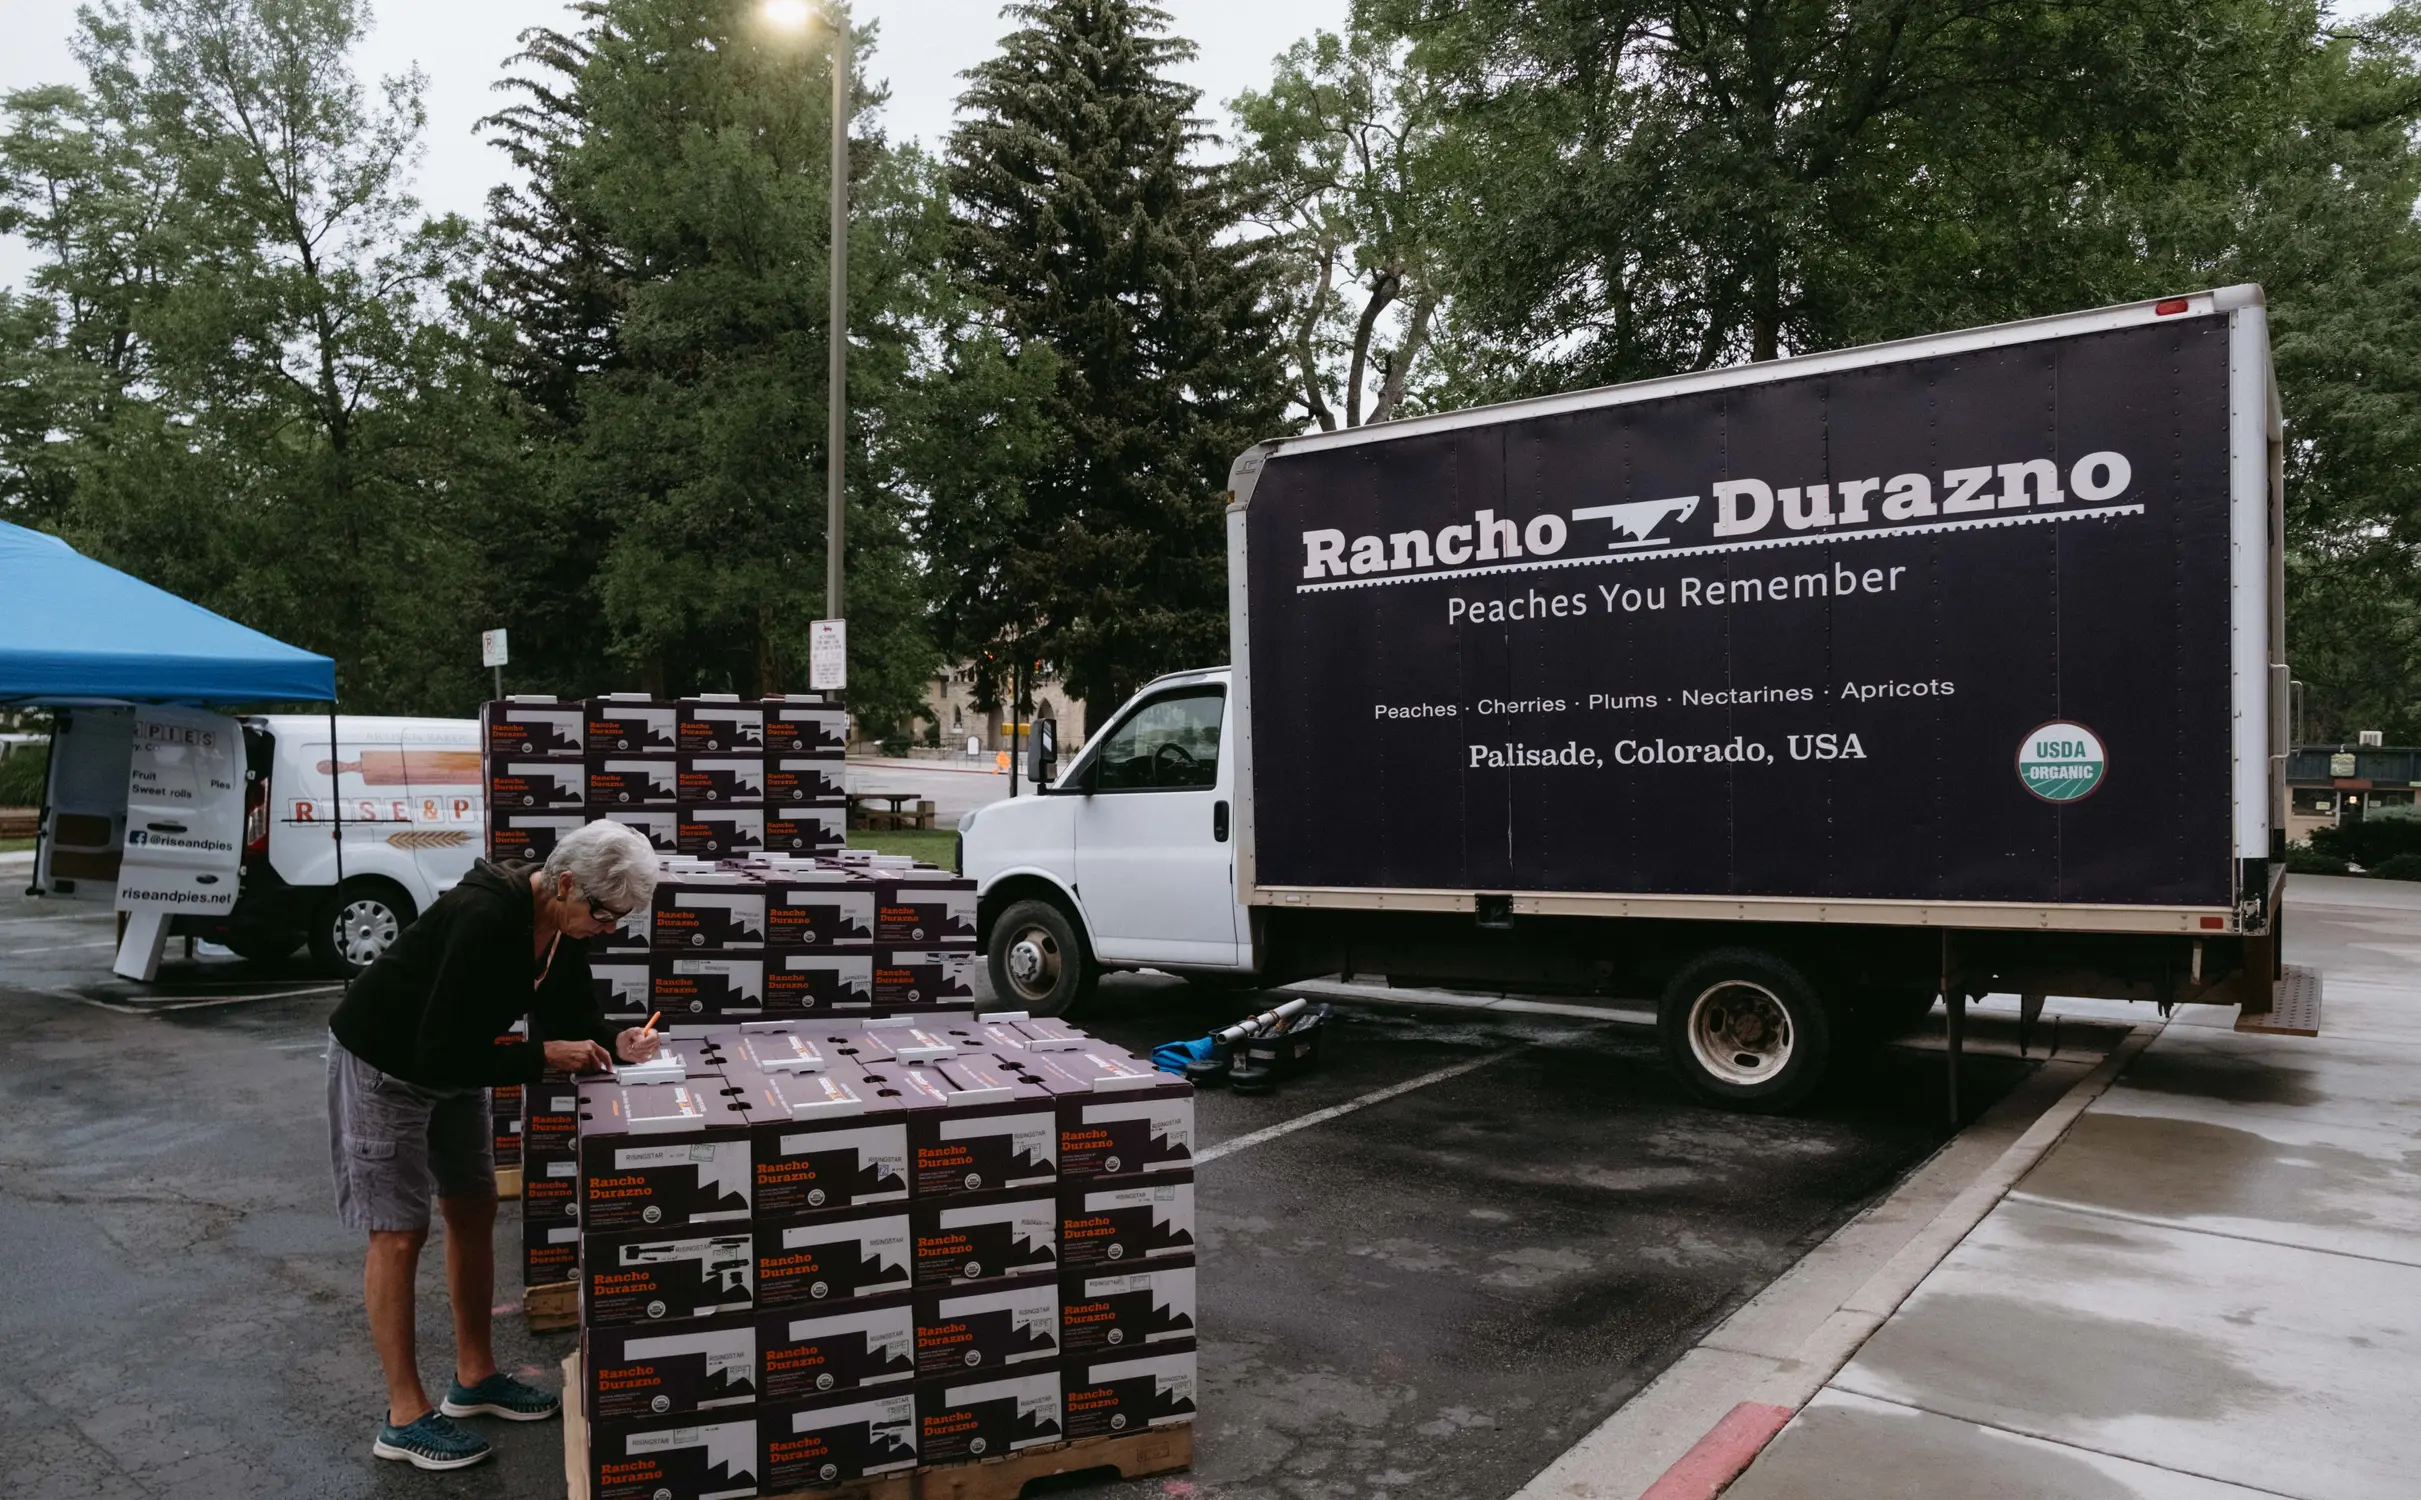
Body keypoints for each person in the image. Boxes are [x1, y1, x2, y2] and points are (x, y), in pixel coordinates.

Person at [324, 819, 661, 1471]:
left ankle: (474, 1377)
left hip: (456, 1066)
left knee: (474, 1208)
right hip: (385, 1063)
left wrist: (617, 1041)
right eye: (604, 913)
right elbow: (438, 1048)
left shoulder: (563, 930)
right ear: (564, 882)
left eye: (621, 919)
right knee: (397, 1231)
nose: (609, 927)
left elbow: (571, 1023)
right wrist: (539, 1057)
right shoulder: (485, 915)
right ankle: (402, 1416)